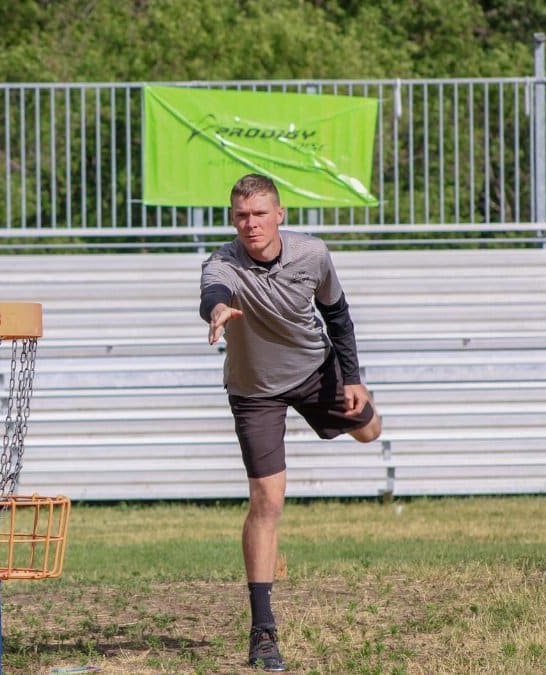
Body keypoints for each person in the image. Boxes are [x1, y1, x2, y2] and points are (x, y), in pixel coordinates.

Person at [199, 173, 382, 671]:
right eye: (241, 216)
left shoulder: (312, 255)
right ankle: (262, 631)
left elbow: (338, 315)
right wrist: (216, 311)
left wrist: (354, 379)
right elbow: (212, 292)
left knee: (370, 430)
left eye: (259, 214)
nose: (250, 224)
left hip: (314, 370)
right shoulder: (223, 263)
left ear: (280, 215)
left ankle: (360, 408)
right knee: (267, 500)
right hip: (254, 390)